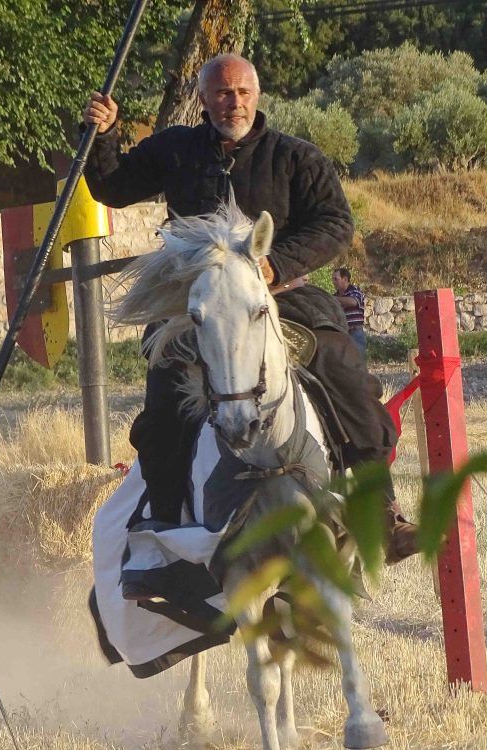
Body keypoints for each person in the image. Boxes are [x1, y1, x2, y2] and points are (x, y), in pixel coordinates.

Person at [82, 53, 417, 564]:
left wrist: (274, 265)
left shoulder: (295, 158)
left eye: (241, 92)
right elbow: (113, 187)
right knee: (163, 405)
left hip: (282, 297)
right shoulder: (174, 150)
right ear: (204, 98)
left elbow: (334, 224)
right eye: (221, 92)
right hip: (195, 308)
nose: (232, 102)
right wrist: (104, 137)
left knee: (344, 368)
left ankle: (379, 509)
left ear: (256, 96)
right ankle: (167, 535)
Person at [333, 267, 367, 359]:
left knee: (358, 363)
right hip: (341, 334)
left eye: (336, 279)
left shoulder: (355, 291)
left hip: (355, 333)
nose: (333, 282)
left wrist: (333, 299)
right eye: (333, 279)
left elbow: (353, 302)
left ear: (345, 279)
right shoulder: (334, 296)